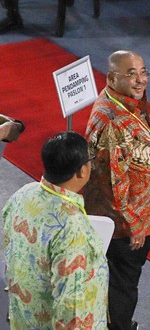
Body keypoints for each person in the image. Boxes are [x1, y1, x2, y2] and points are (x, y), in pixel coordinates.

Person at [84, 50, 150, 330]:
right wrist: (132, 223)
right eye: (131, 74)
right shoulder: (112, 118)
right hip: (126, 224)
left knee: (125, 277)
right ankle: (119, 326)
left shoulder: (127, 103)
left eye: (143, 72)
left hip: (136, 215)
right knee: (124, 281)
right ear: (112, 78)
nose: (140, 80)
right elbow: (112, 181)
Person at [3, 132, 109, 329]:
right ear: (82, 171)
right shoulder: (71, 227)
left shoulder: (23, 193)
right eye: (90, 160)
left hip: (25, 317)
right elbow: (73, 307)